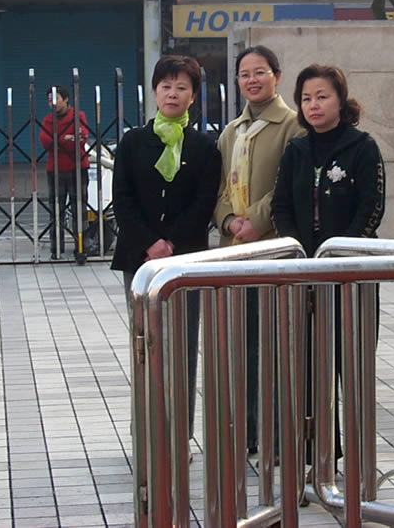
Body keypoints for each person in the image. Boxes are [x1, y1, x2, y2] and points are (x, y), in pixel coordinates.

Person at [272, 64, 385, 461]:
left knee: (351, 363)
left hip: (351, 273)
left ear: (340, 99)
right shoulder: (296, 150)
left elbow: (372, 208)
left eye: (322, 96)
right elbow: (281, 206)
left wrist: (339, 251)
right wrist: (298, 251)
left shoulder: (362, 147)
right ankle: (318, 453)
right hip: (306, 272)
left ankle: (360, 456)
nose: (313, 105)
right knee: (309, 365)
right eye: (306, 99)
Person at [112, 55, 221, 438]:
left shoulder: (205, 147)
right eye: (166, 86)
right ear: (154, 92)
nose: (172, 94)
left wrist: (171, 242)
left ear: (193, 95)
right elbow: (122, 199)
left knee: (183, 345)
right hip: (139, 260)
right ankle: (145, 430)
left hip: (185, 259)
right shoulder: (132, 142)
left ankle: (180, 432)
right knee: (145, 343)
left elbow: (204, 204)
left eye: (181, 87)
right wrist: (150, 242)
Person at [214, 45, 306, 454]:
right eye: (244, 74)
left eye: (260, 72)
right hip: (233, 251)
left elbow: (287, 185)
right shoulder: (231, 132)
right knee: (242, 344)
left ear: (277, 76)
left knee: (275, 344)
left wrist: (254, 220)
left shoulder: (293, 126)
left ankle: (277, 432)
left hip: (272, 250)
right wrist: (229, 221)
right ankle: (248, 430)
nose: (252, 80)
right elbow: (219, 189)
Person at [39, 86, 90, 258]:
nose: (52, 103)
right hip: (56, 170)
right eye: (49, 100)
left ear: (66, 99)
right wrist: (63, 139)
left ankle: (82, 246)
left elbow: (81, 138)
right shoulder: (48, 120)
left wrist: (59, 140)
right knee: (56, 210)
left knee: (79, 209)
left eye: (56, 99)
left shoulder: (78, 116)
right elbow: (45, 141)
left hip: (77, 167)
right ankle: (56, 248)